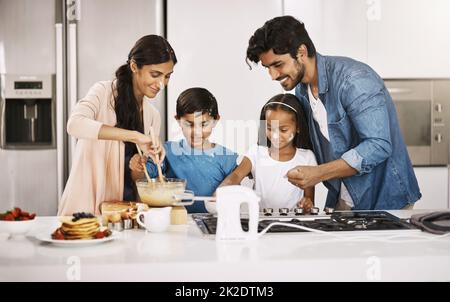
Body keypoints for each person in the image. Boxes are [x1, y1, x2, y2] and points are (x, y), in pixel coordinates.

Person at [246, 16, 421, 210]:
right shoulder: (301, 90)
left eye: (278, 65)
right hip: (345, 194)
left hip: (384, 196)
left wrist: (318, 173)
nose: (273, 75)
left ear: (301, 52)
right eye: (267, 68)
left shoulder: (354, 80)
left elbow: (378, 145)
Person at [58, 35, 176, 215]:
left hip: (124, 214)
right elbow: (74, 124)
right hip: (86, 210)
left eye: (167, 76)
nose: (161, 84)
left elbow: (135, 177)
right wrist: (134, 136)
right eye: (155, 74)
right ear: (134, 66)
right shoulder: (102, 92)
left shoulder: (153, 116)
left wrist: (141, 165)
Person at [130, 87, 238, 213]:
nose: (196, 132)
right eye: (189, 124)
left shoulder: (228, 158)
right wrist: (137, 166)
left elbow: (235, 198)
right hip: (176, 226)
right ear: (178, 121)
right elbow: (142, 179)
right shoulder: (167, 151)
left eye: (203, 124)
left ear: (215, 121)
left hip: (214, 227)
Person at [218, 93, 317, 211]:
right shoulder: (256, 152)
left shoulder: (307, 158)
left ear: (298, 127)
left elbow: (309, 200)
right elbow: (236, 175)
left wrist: (307, 204)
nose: (275, 135)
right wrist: (223, 189)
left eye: (283, 130)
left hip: (293, 225)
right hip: (260, 225)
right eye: (270, 128)